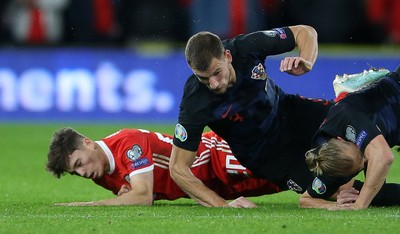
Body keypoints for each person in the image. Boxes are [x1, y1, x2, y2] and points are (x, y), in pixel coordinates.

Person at [169, 25, 339, 207]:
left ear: (227, 56)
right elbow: (178, 168)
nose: (214, 84)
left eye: (217, 72)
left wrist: (306, 60)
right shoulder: (195, 101)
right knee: (339, 190)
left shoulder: (246, 47)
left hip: (289, 112)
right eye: (203, 78)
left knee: (351, 118)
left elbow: (305, 32)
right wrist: (222, 205)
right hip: (267, 156)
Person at [46, 127, 281, 207]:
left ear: (88, 143)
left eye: (79, 164)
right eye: (74, 172)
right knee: (287, 182)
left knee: (286, 163)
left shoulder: (128, 143)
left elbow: (142, 196)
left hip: (214, 155)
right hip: (211, 187)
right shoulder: (99, 174)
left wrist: (87, 205)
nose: (83, 173)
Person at [302, 66, 400, 210]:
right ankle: (346, 92)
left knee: (376, 167)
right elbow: (305, 200)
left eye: (361, 155)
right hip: (391, 122)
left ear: (342, 139)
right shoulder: (331, 165)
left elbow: (384, 157)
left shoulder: (346, 117)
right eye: (362, 164)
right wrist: (335, 205)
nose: (367, 159)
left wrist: (360, 204)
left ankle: (346, 93)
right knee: (376, 192)